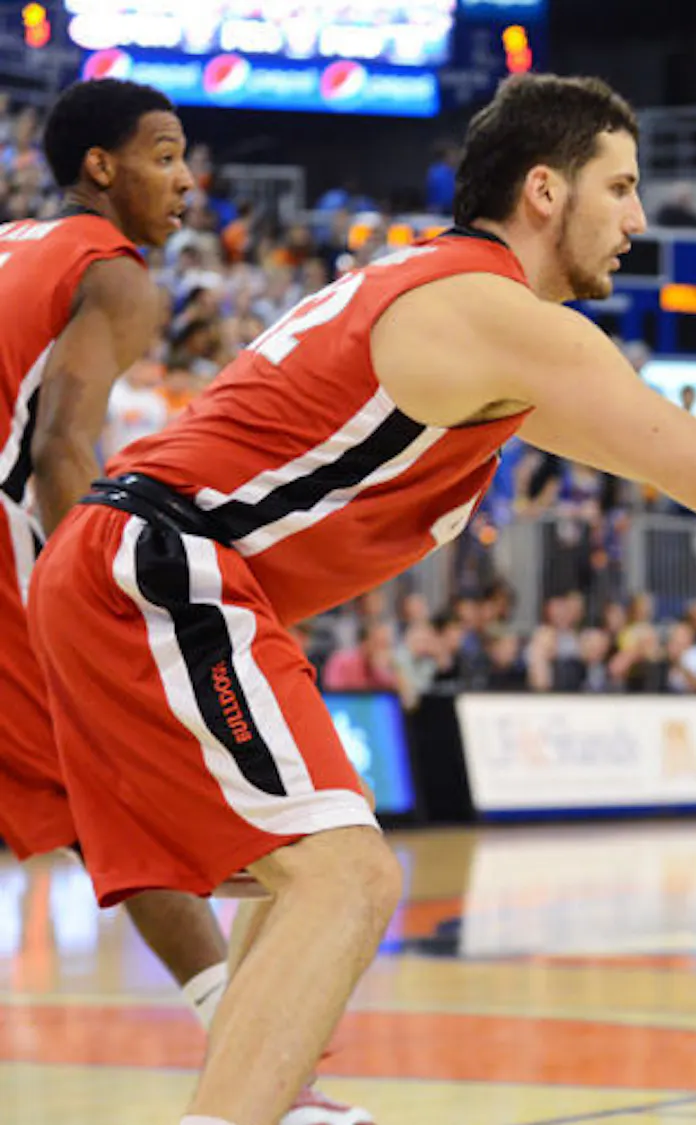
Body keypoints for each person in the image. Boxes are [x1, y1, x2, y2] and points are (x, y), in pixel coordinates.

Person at [26, 72, 696, 1125]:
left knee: (312, 871)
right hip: (157, 566)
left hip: (136, 565)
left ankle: (273, 1103)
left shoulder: (437, 295)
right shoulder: (496, 313)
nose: (639, 219)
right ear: (545, 192)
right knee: (347, 877)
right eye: (622, 187)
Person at [0, 79, 372, 1124]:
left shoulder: (13, 242)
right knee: (109, 798)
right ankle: (271, 1082)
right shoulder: (111, 272)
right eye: (163, 154)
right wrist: (99, 593)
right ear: (100, 168)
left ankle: (268, 1072)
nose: (186, 179)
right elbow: (64, 450)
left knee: (86, 810)